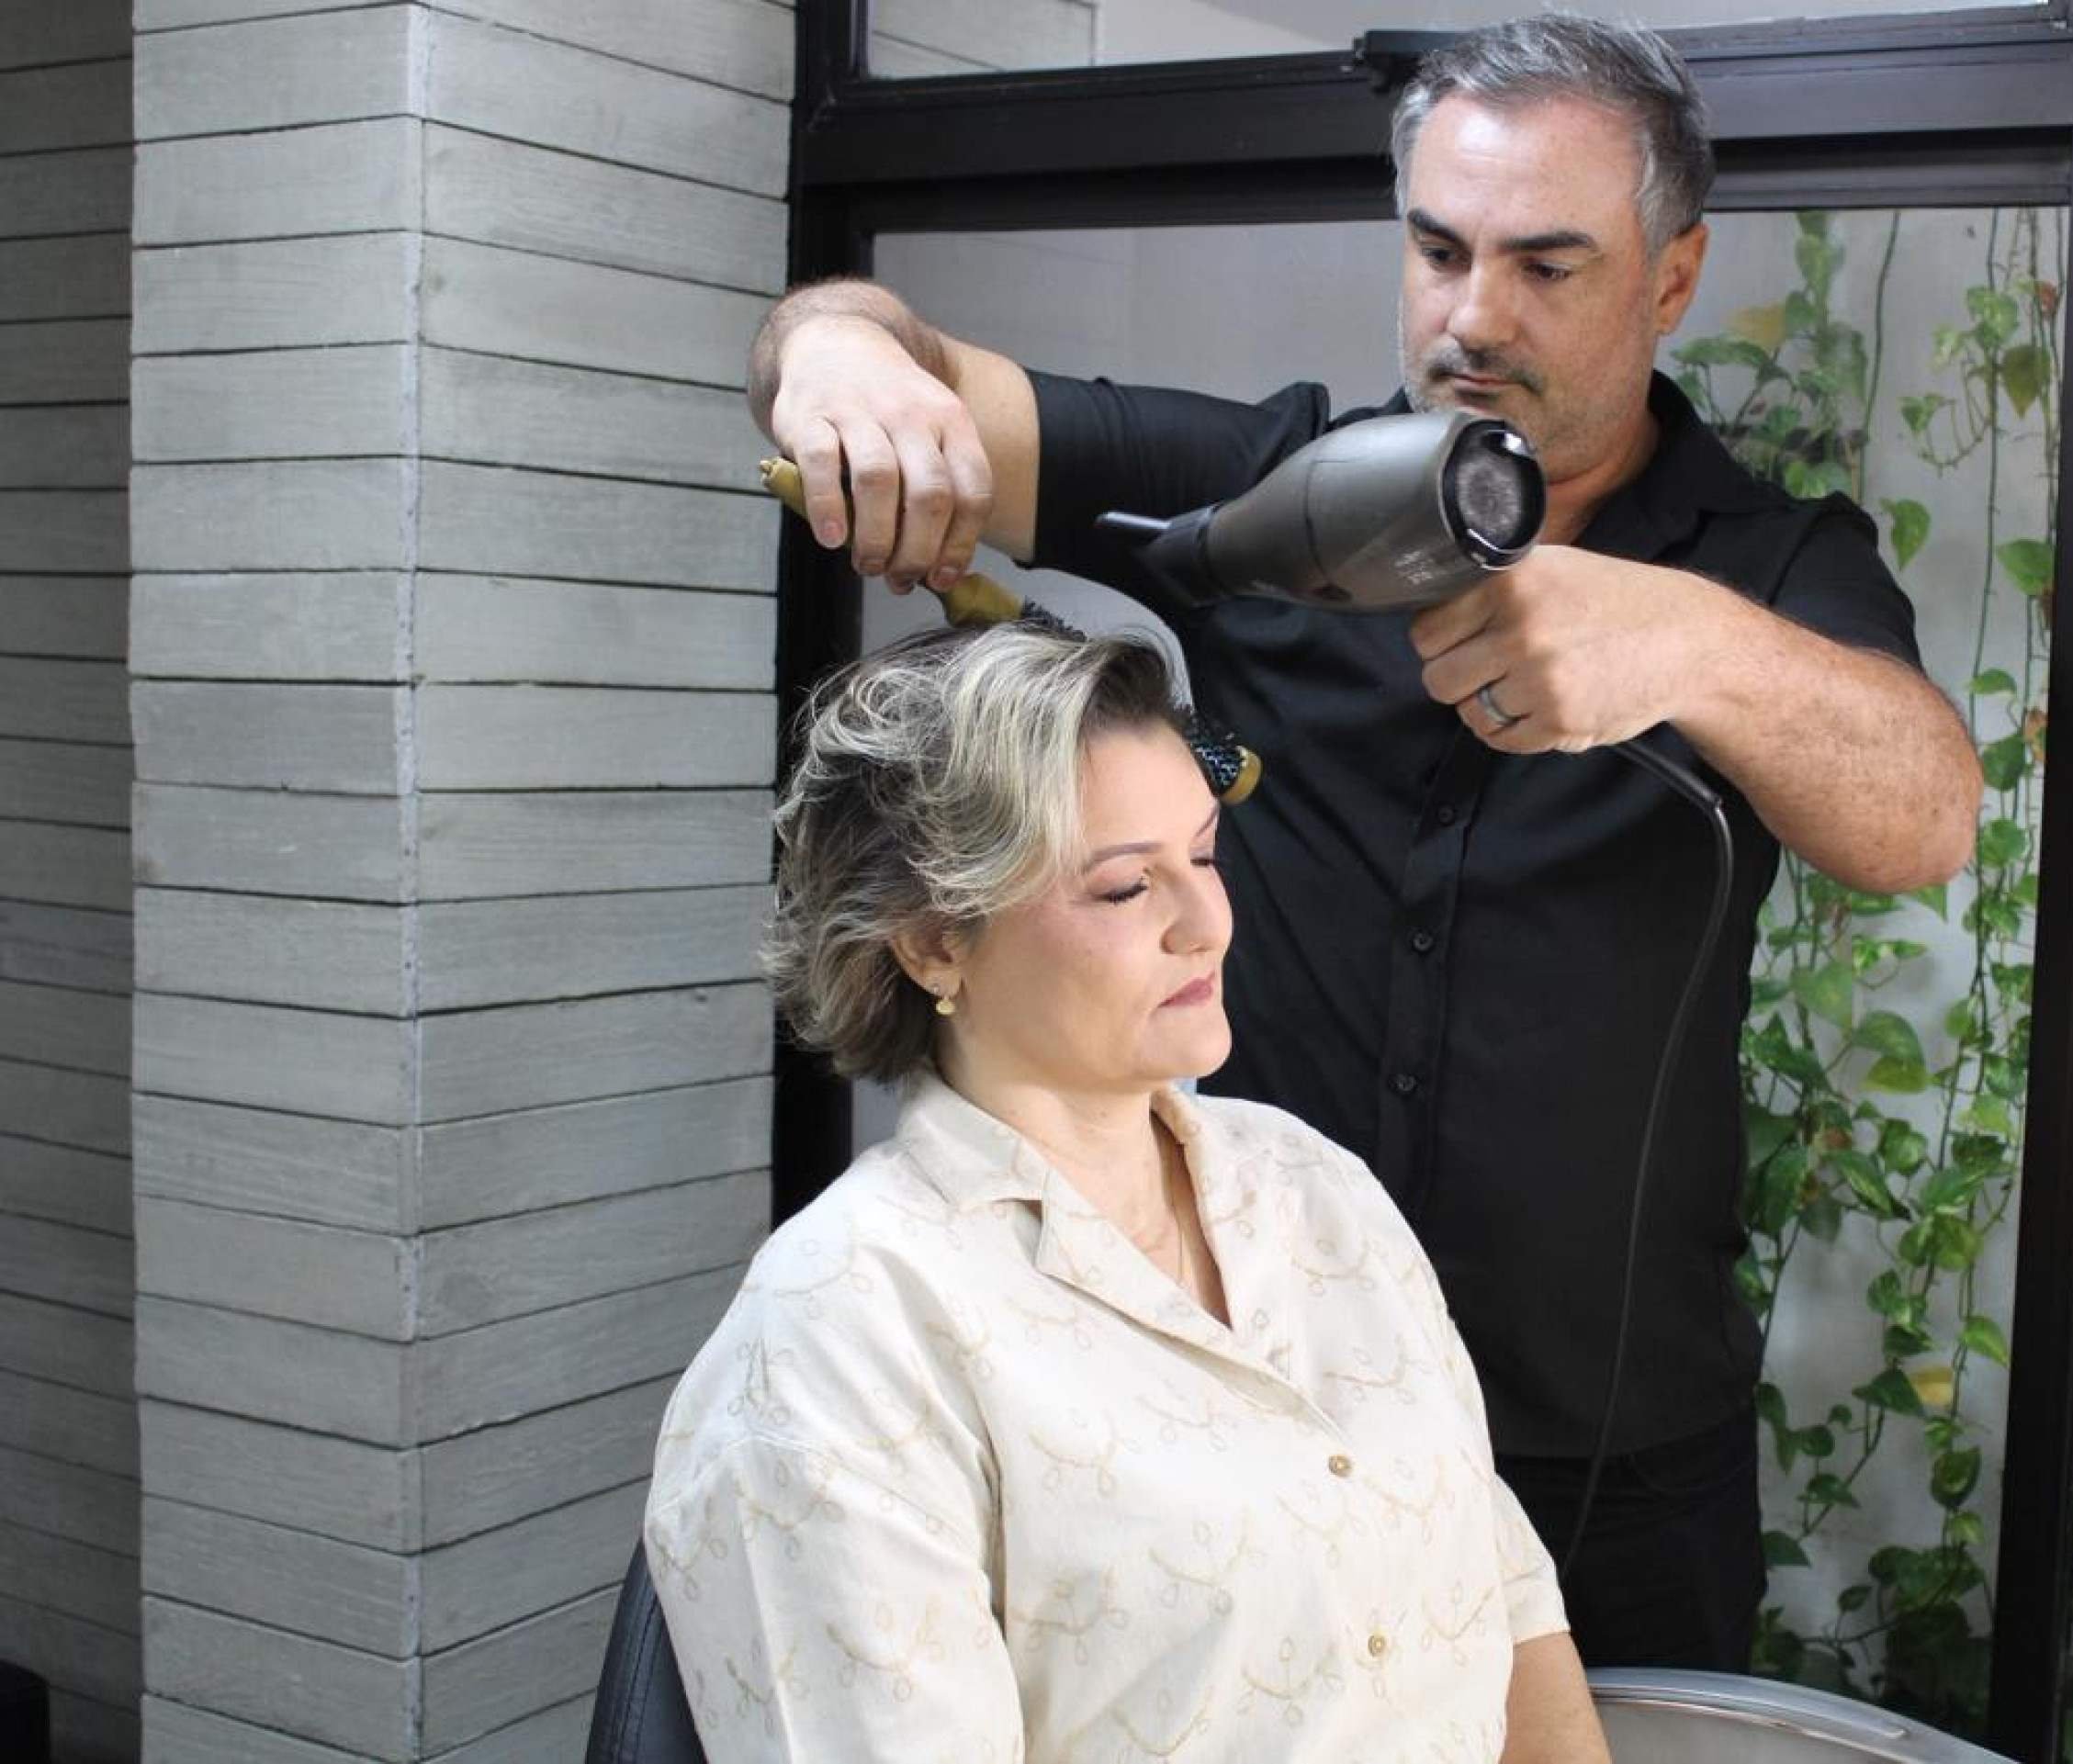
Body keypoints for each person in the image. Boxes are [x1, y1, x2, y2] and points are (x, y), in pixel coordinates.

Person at [746, 17, 1982, 1672]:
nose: (1476, 317)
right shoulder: (1276, 492)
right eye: (1438, 248)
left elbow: (1923, 812)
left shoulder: (1768, 564)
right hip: (1258, 1416)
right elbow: (875, 344)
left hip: (1609, 1457)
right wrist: (839, 361)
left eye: (1550, 265)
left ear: (1670, 278)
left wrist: (1687, 645)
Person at [646, 621, 1610, 1761]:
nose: (1207, 923)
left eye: (1203, 857)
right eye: (1122, 888)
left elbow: (1503, 1593)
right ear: (932, 941)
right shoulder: (840, 1339)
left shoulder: (1315, 1189)